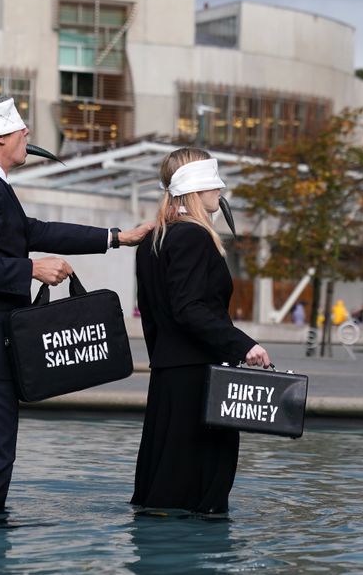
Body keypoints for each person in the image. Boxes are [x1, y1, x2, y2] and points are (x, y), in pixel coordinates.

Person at [0, 95, 153, 513]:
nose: (28, 131)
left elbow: (32, 229)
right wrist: (29, 269)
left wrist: (116, 237)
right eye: (19, 126)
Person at [132, 147, 270, 515]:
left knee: (164, 475)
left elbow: (152, 313)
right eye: (214, 182)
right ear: (197, 187)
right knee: (203, 483)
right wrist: (244, 345)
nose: (220, 190)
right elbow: (189, 308)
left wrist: (162, 358)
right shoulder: (193, 237)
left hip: (169, 374)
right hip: (200, 378)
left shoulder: (152, 241)